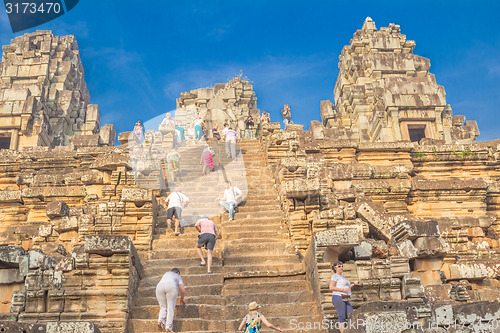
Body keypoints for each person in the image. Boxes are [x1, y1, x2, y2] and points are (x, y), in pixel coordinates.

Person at [329, 261, 359, 332]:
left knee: (351, 313)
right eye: (339, 266)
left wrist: (354, 284)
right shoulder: (334, 276)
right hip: (338, 296)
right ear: (335, 268)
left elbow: (347, 287)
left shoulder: (343, 277)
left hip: (345, 297)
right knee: (341, 316)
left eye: (342, 266)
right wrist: (343, 289)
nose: (341, 267)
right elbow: (331, 287)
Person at [156, 268, 186, 332]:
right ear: (178, 273)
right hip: (171, 286)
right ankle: (168, 327)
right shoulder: (178, 276)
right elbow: (182, 290)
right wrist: (182, 299)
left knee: (163, 307)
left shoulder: (166, 274)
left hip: (159, 286)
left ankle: (160, 320)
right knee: (170, 307)